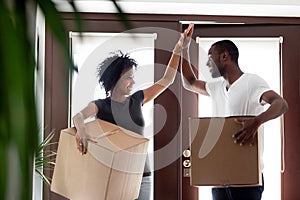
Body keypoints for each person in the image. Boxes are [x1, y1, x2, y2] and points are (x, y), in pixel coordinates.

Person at [72, 26, 193, 200]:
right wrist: (81, 131)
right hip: (114, 176)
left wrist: (178, 48)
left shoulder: (137, 99)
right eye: (128, 77)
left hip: (143, 176)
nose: (133, 81)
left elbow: (167, 79)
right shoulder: (101, 105)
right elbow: (78, 116)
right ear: (114, 79)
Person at [181, 24, 288, 200]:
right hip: (220, 177)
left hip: (247, 178)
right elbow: (189, 82)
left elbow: (281, 104)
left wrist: (257, 121)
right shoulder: (217, 87)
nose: (208, 64)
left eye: (210, 58)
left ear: (224, 56)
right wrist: (183, 48)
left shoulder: (252, 82)